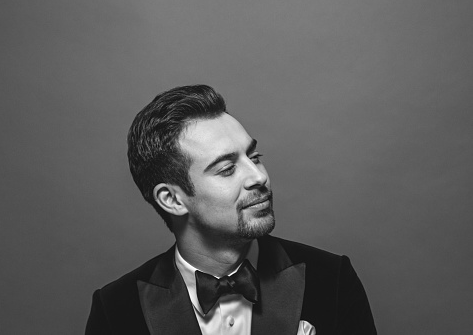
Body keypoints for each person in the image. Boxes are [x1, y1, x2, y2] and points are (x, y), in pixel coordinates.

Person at [85, 85, 377, 335]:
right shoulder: (116, 310)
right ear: (171, 199)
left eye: (255, 157)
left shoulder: (332, 280)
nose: (259, 177)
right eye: (227, 169)